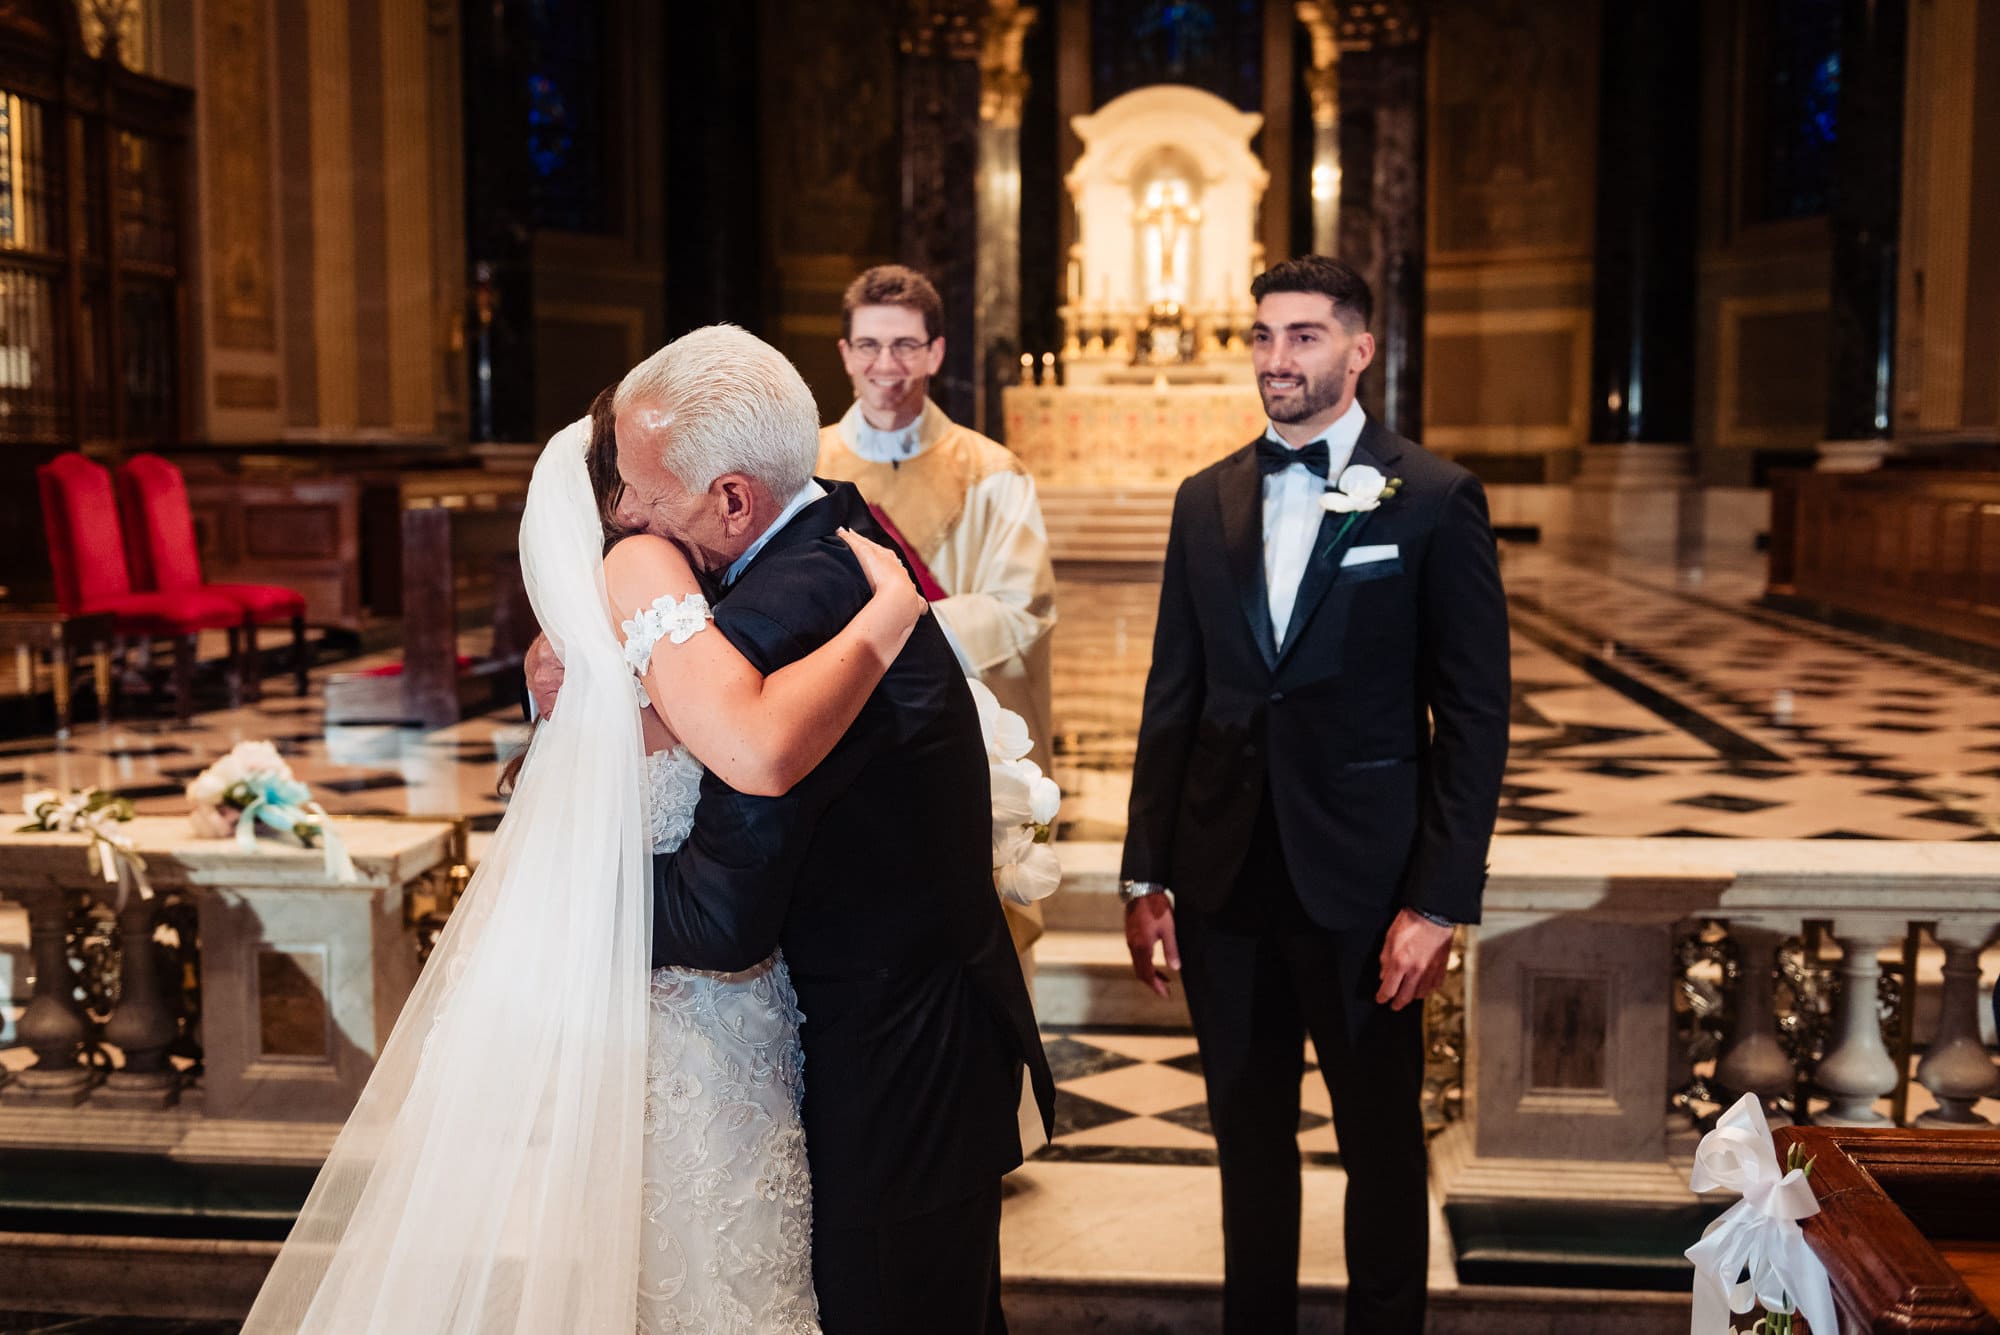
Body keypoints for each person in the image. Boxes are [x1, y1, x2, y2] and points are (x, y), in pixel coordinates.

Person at [242, 387, 929, 1333]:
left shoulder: (654, 567)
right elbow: (746, 739)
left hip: (673, 980)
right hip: (695, 996)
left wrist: (565, 701)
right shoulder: (649, 562)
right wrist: (883, 623)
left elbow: (624, 729)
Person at [557, 325, 1054, 1334]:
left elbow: (721, 914)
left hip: (891, 1077)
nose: (624, 516)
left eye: (645, 493)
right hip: (924, 1041)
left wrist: (553, 901)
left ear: (733, 498)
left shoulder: (784, 617)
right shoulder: (832, 531)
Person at [1120, 255, 1510, 1334]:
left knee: (1378, 1145)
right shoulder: (1204, 500)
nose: (1275, 358)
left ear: (1358, 349)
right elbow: (1173, 697)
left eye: (1300, 335)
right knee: (1246, 1146)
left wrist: (1436, 903)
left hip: (1367, 889)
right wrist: (1145, 870)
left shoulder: (1432, 499)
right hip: (1221, 880)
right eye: (1259, 335)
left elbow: (1473, 719)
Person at [814, 266, 1059, 966]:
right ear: (844, 353)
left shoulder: (992, 471)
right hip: (837, 738)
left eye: (905, 346)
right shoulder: (806, 468)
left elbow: (1022, 606)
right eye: (868, 346)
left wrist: (893, 631)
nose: (885, 367)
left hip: (953, 742)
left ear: (936, 353)